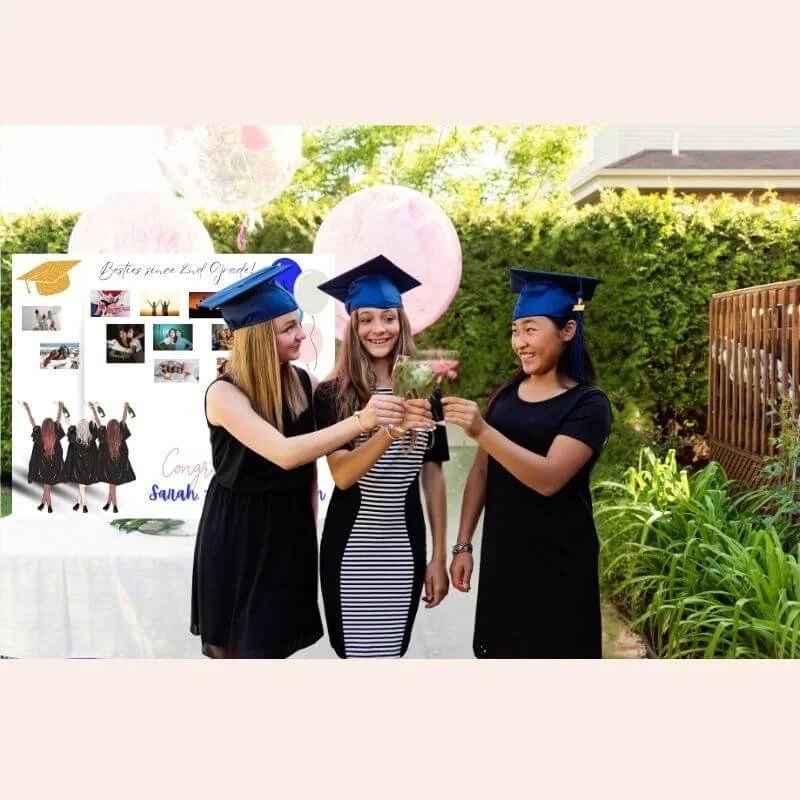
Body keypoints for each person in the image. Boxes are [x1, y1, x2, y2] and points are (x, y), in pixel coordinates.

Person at [190, 262, 423, 659]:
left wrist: (397, 378)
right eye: (289, 328)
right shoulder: (224, 394)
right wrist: (363, 421)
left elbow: (330, 418)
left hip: (289, 531)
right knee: (236, 649)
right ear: (260, 338)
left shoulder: (302, 383)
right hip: (239, 535)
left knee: (273, 647)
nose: (301, 334)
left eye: (299, 324)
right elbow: (285, 453)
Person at [443, 269, 612, 659]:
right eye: (515, 331)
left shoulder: (589, 405)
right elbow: (482, 472)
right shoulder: (506, 395)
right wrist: (463, 545)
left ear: (568, 330)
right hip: (505, 561)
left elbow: (549, 478)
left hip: (560, 566)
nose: (520, 342)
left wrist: (482, 430)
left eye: (531, 330)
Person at [313, 254, 450, 659]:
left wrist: (439, 556)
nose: (379, 328)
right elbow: (342, 475)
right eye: (367, 319)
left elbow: (433, 476)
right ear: (353, 327)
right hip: (352, 548)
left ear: (402, 322)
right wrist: (391, 430)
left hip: (404, 548)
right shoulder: (333, 394)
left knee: (390, 654)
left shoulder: (424, 388)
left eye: (388, 318)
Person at [23, 400, 67, 512]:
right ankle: (43, 503)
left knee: (46, 486)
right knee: (47, 486)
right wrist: (60, 408)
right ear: (52, 426)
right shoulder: (55, 434)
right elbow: (58, 419)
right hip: (53, 465)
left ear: (43, 426)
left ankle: (49, 505)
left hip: (43, 466)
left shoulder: (39, 435)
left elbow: (32, 421)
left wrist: (27, 409)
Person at [92, 402, 136, 513]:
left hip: (108, 467)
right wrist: (125, 407)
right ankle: (110, 504)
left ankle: (112, 504)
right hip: (118, 467)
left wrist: (93, 410)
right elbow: (124, 419)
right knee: (112, 485)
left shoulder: (104, 435)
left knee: (112, 485)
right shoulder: (120, 436)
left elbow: (97, 421)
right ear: (117, 428)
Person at [64, 412, 100, 513]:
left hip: (79, 469)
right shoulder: (91, 438)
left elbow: (69, 425)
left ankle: (84, 506)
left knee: (81, 487)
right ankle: (78, 503)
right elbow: (93, 422)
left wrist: (65, 415)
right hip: (89, 468)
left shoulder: (75, 439)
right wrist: (94, 410)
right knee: (82, 487)